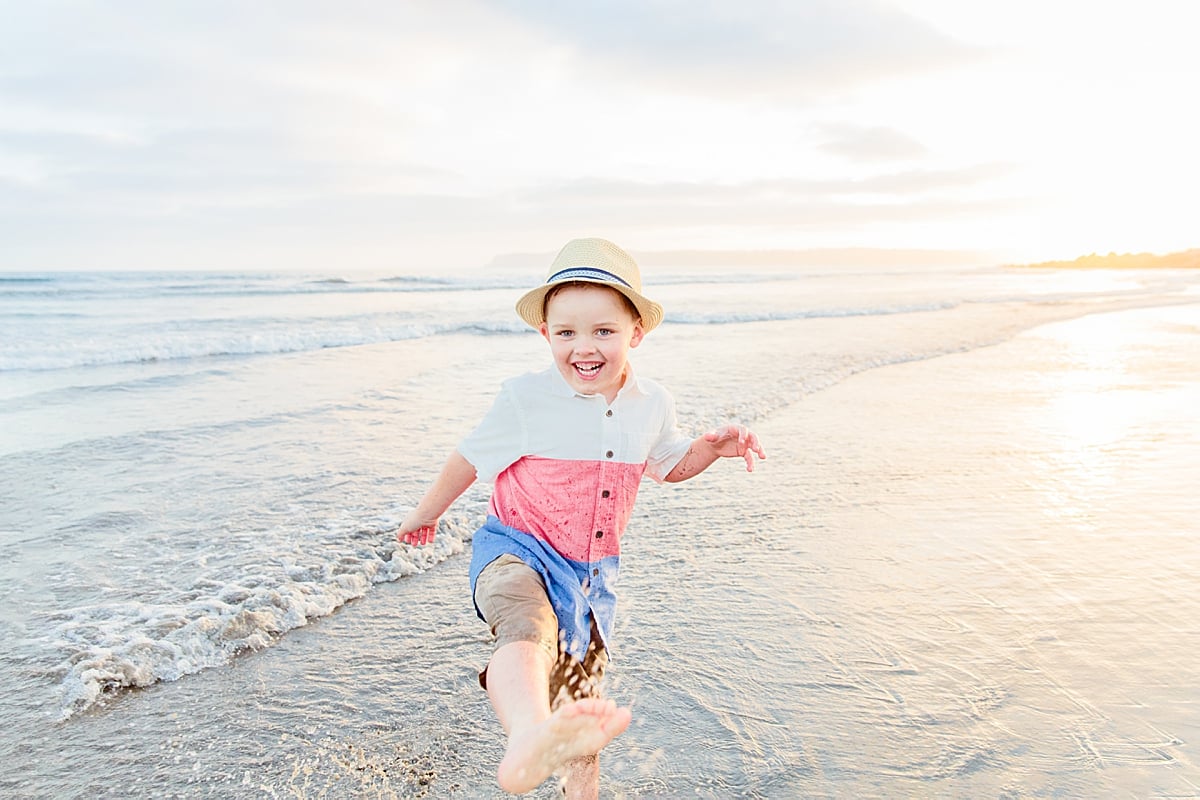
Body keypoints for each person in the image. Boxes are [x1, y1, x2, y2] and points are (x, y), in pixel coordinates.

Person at [398, 237, 766, 798]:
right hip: (514, 549)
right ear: (545, 334)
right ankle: (526, 736)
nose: (583, 346)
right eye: (565, 332)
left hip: (590, 582)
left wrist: (711, 450)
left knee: (584, 729)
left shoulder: (651, 402)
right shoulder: (526, 397)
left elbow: (668, 465)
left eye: (602, 331)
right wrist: (425, 515)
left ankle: (567, 766)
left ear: (635, 333)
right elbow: (469, 457)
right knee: (526, 627)